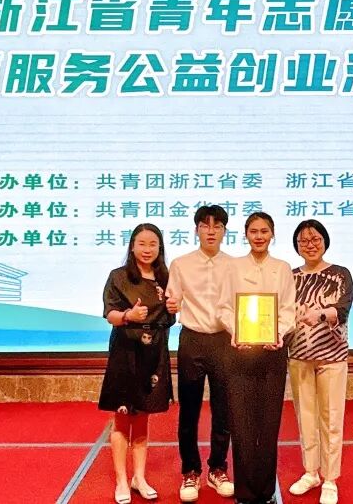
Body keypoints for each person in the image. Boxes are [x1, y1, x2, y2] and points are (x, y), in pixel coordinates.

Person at [218, 212, 296, 504]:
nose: (259, 236)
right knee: (242, 425)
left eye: (264, 231)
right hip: (239, 354)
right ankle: (245, 492)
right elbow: (224, 308)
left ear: (272, 234)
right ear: (246, 234)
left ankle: (265, 491)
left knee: (268, 424)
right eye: (253, 231)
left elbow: (288, 309)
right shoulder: (233, 267)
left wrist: (279, 333)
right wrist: (236, 331)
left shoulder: (283, 268)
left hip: (273, 353)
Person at [98, 224, 175, 504]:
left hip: (154, 354)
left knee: (143, 417)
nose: (147, 249)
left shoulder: (166, 278)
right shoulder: (119, 277)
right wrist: (128, 315)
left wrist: (175, 307)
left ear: (160, 247)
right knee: (122, 418)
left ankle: (138, 477)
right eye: (141, 243)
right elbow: (110, 314)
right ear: (132, 246)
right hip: (126, 353)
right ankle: (121, 479)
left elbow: (170, 316)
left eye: (153, 244)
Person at [165, 205, 235, 502]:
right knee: (189, 410)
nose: (211, 231)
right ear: (196, 230)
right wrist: (171, 305)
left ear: (224, 231)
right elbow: (172, 301)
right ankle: (190, 470)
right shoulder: (181, 264)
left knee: (224, 409)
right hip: (192, 340)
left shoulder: (235, 265)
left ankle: (217, 468)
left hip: (224, 340)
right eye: (205, 225)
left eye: (217, 226)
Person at [285, 220, 353, 504]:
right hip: (299, 356)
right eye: (303, 241)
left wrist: (322, 314)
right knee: (306, 417)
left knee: (331, 418)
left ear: (325, 241)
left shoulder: (339, 274)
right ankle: (311, 471)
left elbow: (343, 308)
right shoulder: (290, 277)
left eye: (315, 239)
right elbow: (281, 313)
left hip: (332, 357)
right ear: (296, 246)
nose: (310, 245)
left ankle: (330, 478)